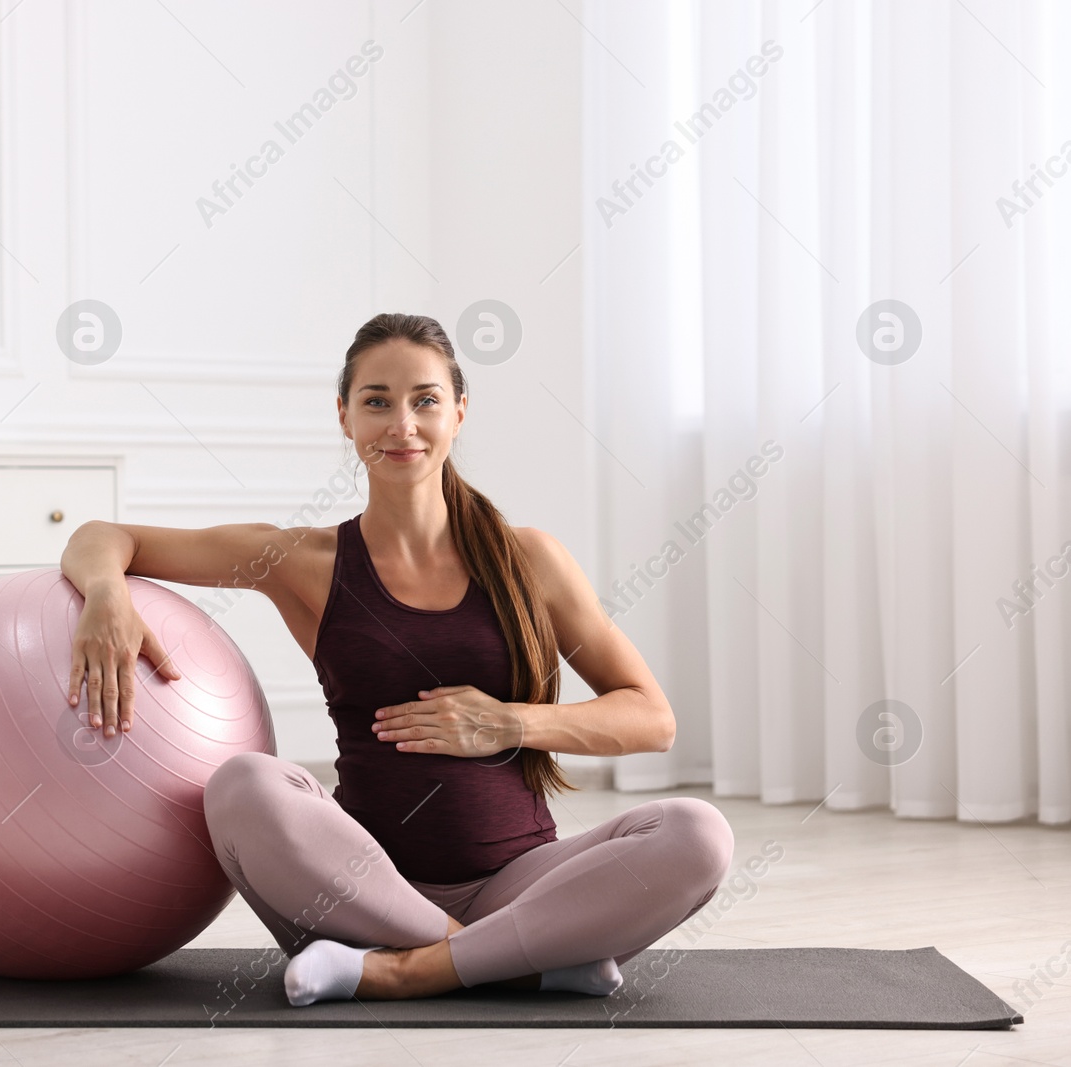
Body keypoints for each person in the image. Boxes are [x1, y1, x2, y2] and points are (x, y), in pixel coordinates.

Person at [58, 312, 734, 1006]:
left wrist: (509, 723)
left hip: (521, 884)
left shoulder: (530, 560)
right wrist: (107, 591)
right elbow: (102, 535)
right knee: (242, 785)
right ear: (345, 417)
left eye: (425, 400)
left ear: (460, 413)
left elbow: (651, 718)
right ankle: (514, 959)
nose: (401, 424)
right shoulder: (304, 561)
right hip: (360, 888)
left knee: (697, 833)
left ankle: (411, 970)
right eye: (376, 400)